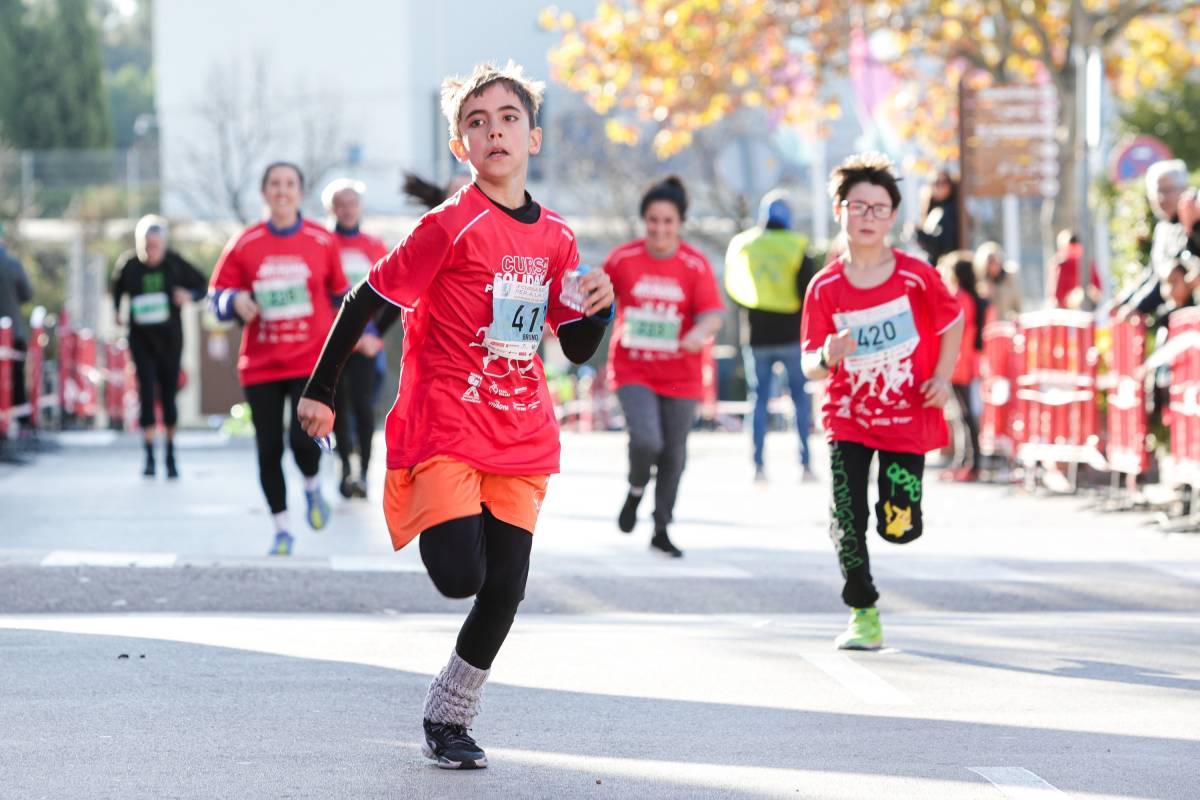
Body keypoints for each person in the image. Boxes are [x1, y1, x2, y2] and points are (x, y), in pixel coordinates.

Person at [298, 62, 614, 771]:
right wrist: (320, 389)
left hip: (523, 429)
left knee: (506, 586)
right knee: (456, 576)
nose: (493, 131)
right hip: (447, 423)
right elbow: (364, 300)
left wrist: (603, 305)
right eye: (476, 122)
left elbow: (575, 342)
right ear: (459, 146)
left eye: (507, 118)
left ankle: (449, 715)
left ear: (533, 136)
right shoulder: (451, 223)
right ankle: (448, 705)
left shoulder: (558, 237)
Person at [801, 152, 963, 650]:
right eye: (857, 206)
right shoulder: (825, 287)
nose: (867, 217)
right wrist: (828, 354)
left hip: (905, 416)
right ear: (839, 211)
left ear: (892, 217)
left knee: (899, 527)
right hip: (847, 417)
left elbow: (951, 321)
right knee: (846, 518)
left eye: (878, 208)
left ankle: (899, 518)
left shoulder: (915, 276)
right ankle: (863, 612)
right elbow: (810, 363)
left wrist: (941, 377)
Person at [209, 161, 348, 556]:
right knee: (268, 447)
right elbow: (216, 296)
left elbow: (342, 296)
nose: (282, 190)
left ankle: (311, 486)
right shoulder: (245, 242)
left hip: (309, 360)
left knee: (302, 441)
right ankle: (282, 528)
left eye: (290, 183)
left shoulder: (321, 240)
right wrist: (233, 300)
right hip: (261, 362)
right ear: (264, 192)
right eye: (275, 183)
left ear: (300, 192)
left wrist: (359, 337)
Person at [606, 176, 725, 558]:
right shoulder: (623, 259)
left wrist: (698, 334)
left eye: (668, 221)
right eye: (653, 220)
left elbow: (712, 314)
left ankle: (661, 527)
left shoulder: (694, 264)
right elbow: (597, 301)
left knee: (673, 453)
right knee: (646, 442)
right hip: (633, 369)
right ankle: (636, 488)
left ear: (680, 223)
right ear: (644, 221)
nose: (659, 228)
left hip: (681, 373)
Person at [724, 189, 818, 483]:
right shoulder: (798, 244)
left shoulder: (745, 243)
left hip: (756, 335)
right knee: (800, 401)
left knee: (759, 401)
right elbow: (808, 293)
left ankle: (758, 466)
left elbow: (734, 286)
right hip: (791, 335)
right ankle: (805, 465)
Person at [110, 215, 207, 477]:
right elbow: (117, 287)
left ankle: (171, 455)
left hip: (170, 340)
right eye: (146, 245)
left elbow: (203, 284)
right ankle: (150, 455)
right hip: (141, 340)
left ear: (164, 245)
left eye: (156, 245)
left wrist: (188, 295)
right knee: (146, 395)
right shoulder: (129, 265)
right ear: (138, 244)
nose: (151, 251)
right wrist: (117, 310)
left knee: (168, 395)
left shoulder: (174, 264)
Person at [322, 178, 398, 499]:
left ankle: (364, 473)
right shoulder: (323, 244)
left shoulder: (374, 246)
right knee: (337, 406)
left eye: (352, 203)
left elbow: (391, 294)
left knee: (365, 407)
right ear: (331, 209)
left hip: (366, 342)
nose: (347, 209)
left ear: (360, 207)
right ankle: (343, 467)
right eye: (341, 204)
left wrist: (375, 335)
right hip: (333, 340)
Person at [1113, 160, 1200, 320]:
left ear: (1184, 189)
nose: (1161, 198)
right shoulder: (1162, 227)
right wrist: (1125, 301)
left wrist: (1137, 307)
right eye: (1157, 192)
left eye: (1168, 191)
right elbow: (1153, 273)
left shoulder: (1192, 225)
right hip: (1171, 316)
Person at [941, 252, 988, 482]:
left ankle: (971, 462)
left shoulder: (959, 296)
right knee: (963, 414)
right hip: (964, 360)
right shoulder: (969, 296)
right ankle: (966, 461)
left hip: (959, 362)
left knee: (964, 414)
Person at [0, 226, 32, 450]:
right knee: (16, 382)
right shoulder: (13, 266)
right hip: (14, 335)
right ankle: (21, 426)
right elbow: (27, 294)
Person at [914, 169, 961, 270]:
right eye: (936, 183)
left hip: (949, 268)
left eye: (944, 182)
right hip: (936, 267)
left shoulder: (952, 209)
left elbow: (945, 244)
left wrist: (920, 234)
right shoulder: (933, 209)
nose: (940, 187)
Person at [1051, 231, 1102, 309]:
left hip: (1069, 308)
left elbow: (1057, 294)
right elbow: (1098, 286)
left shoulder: (1062, 260)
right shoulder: (1086, 259)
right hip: (1090, 304)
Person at [974, 241, 1021, 322]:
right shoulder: (979, 283)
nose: (994, 264)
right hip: (988, 328)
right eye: (990, 261)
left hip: (1005, 326)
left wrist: (1014, 316)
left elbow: (1017, 306)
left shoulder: (1009, 279)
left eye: (996, 260)